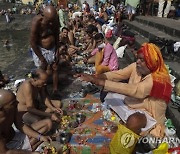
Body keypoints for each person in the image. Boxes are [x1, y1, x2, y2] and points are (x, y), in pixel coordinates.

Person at [80, 43, 172, 137]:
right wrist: (96, 77)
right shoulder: (136, 67)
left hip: (148, 115)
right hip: (132, 104)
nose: (138, 62)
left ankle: (128, 129)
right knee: (107, 93)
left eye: (142, 60)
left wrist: (100, 82)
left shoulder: (158, 80)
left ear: (151, 62)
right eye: (137, 58)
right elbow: (118, 74)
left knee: (134, 120)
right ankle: (124, 124)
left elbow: (134, 90)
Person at [30, 5, 59, 94]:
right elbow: (32, 42)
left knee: (55, 67)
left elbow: (57, 37)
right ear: (43, 16)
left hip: (52, 48)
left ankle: (55, 90)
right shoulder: (36, 22)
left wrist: (57, 52)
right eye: (49, 21)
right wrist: (42, 58)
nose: (51, 24)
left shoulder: (55, 21)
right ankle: (43, 92)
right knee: (42, 71)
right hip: (40, 49)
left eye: (52, 21)